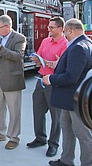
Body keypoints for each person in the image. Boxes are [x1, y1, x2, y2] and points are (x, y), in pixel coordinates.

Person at [43, 18, 92, 166]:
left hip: (76, 100)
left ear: (69, 30)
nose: (65, 36)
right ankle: (66, 160)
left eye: (66, 32)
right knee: (66, 128)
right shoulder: (89, 44)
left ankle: (87, 164)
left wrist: (51, 79)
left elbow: (71, 77)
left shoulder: (78, 47)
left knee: (83, 134)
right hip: (69, 99)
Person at [27, 16, 67, 157]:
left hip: (54, 83)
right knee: (38, 111)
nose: (48, 29)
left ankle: (53, 144)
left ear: (60, 28)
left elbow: (64, 67)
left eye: (51, 27)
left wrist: (55, 64)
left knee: (56, 116)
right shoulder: (45, 41)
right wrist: (37, 59)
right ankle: (40, 138)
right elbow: (39, 57)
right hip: (41, 80)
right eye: (48, 27)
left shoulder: (65, 45)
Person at [0, 14, 27, 150]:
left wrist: (0, 48)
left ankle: (14, 137)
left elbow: (17, 56)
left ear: (7, 27)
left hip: (12, 79)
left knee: (14, 110)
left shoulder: (19, 38)